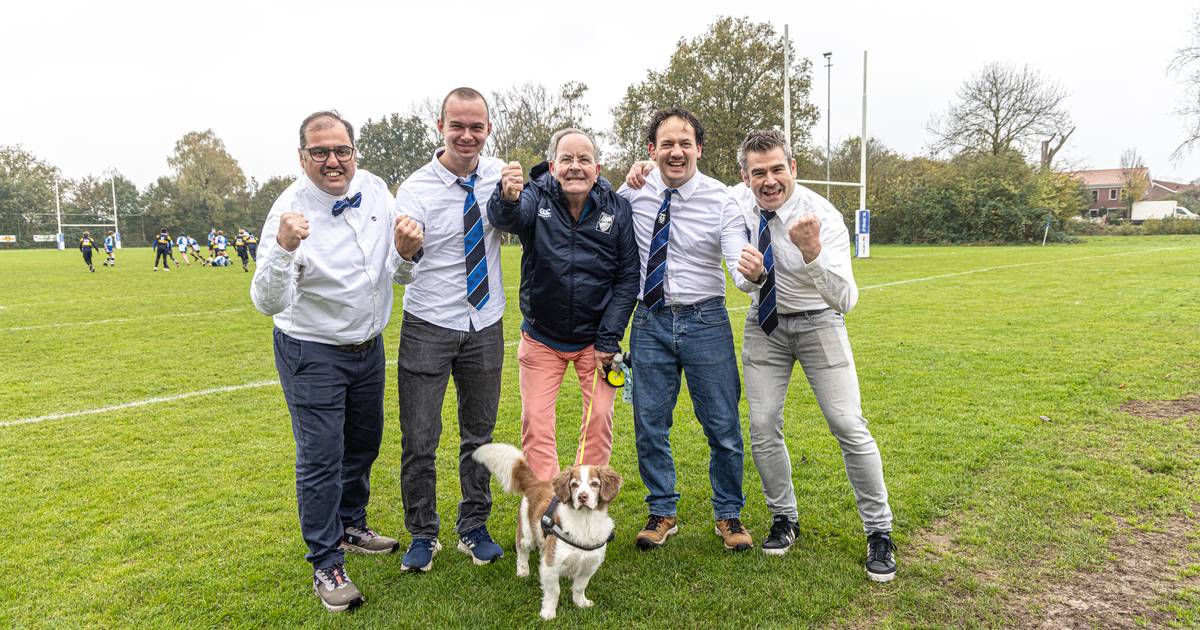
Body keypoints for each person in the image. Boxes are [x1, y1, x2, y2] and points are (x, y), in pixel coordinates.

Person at [251, 110, 423, 612]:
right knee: (320, 459)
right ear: (302, 157)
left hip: (367, 347)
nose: (333, 161)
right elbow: (266, 302)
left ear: (354, 152)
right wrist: (284, 248)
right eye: (320, 152)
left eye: (341, 150)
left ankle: (350, 525)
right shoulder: (287, 210)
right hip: (312, 350)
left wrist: (408, 254)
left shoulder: (374, 189)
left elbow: (397, 274)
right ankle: (326, 562)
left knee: (364, 445)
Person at [734, 130, 895, 578]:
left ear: (794, 168)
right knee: (763, 425)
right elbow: (694, 183)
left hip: (820, 320)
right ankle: (784, 518)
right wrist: (644, 172)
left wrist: (812, 253)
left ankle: (879, 531)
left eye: (777, 169)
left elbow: (846, 299)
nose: (769, 181)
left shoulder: (821, 215)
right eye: (758, 172)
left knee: (848, 423)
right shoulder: (740, 201)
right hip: (765, 324)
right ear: (746, 176)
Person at [616, 107, 765, 553]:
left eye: (685, 143)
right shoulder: (633, 193)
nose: (676, 152)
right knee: (649, 424)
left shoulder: (722, 199)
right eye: (667, 144)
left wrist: (750, 274)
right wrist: (627, 180)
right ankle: (662, 511)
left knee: (721, 425)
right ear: (651, 151)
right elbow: (597, 221)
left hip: (705, 321)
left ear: (699, 149)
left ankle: (728, 514)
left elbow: (736, 258)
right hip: (649, 320)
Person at [392, 87, 506, 572]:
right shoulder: (415, 188)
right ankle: (422, 533)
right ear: (439, 127)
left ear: (487, 130)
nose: (466, 135)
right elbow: (400, 272)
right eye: (456, 125)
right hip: (429, 325)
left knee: (478, 437)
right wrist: (405, 249)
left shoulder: (501, 175)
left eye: (475, 126)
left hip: (486, 321)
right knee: (420, 438)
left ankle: (473, 527)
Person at [486, 128, 639, 480]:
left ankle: (586, 509)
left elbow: (628, 277)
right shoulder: (533, 196)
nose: (575, 167)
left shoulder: (617, 209)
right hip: (542, 337)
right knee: (536, 424)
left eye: (584, 159)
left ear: (597, 168)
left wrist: (608, 339)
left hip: (596, 341)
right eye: (567, 159)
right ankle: (548, 508)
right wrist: (506, 197)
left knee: (599, 419)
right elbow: (507, 218)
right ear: (553, 166)